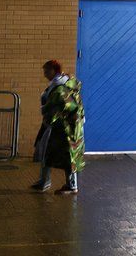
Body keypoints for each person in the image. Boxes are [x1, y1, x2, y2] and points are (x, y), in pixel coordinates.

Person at [31, 60, 84, 195]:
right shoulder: (68, 84)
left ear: (54, 70)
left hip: (63, 126)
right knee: (49, 152)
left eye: (47, 71)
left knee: (67, 155)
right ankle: (45, 181)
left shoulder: (59, 88)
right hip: (67, 125)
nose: (44, 74)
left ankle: (71, 186)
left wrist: (47, 116)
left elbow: (55, 107)